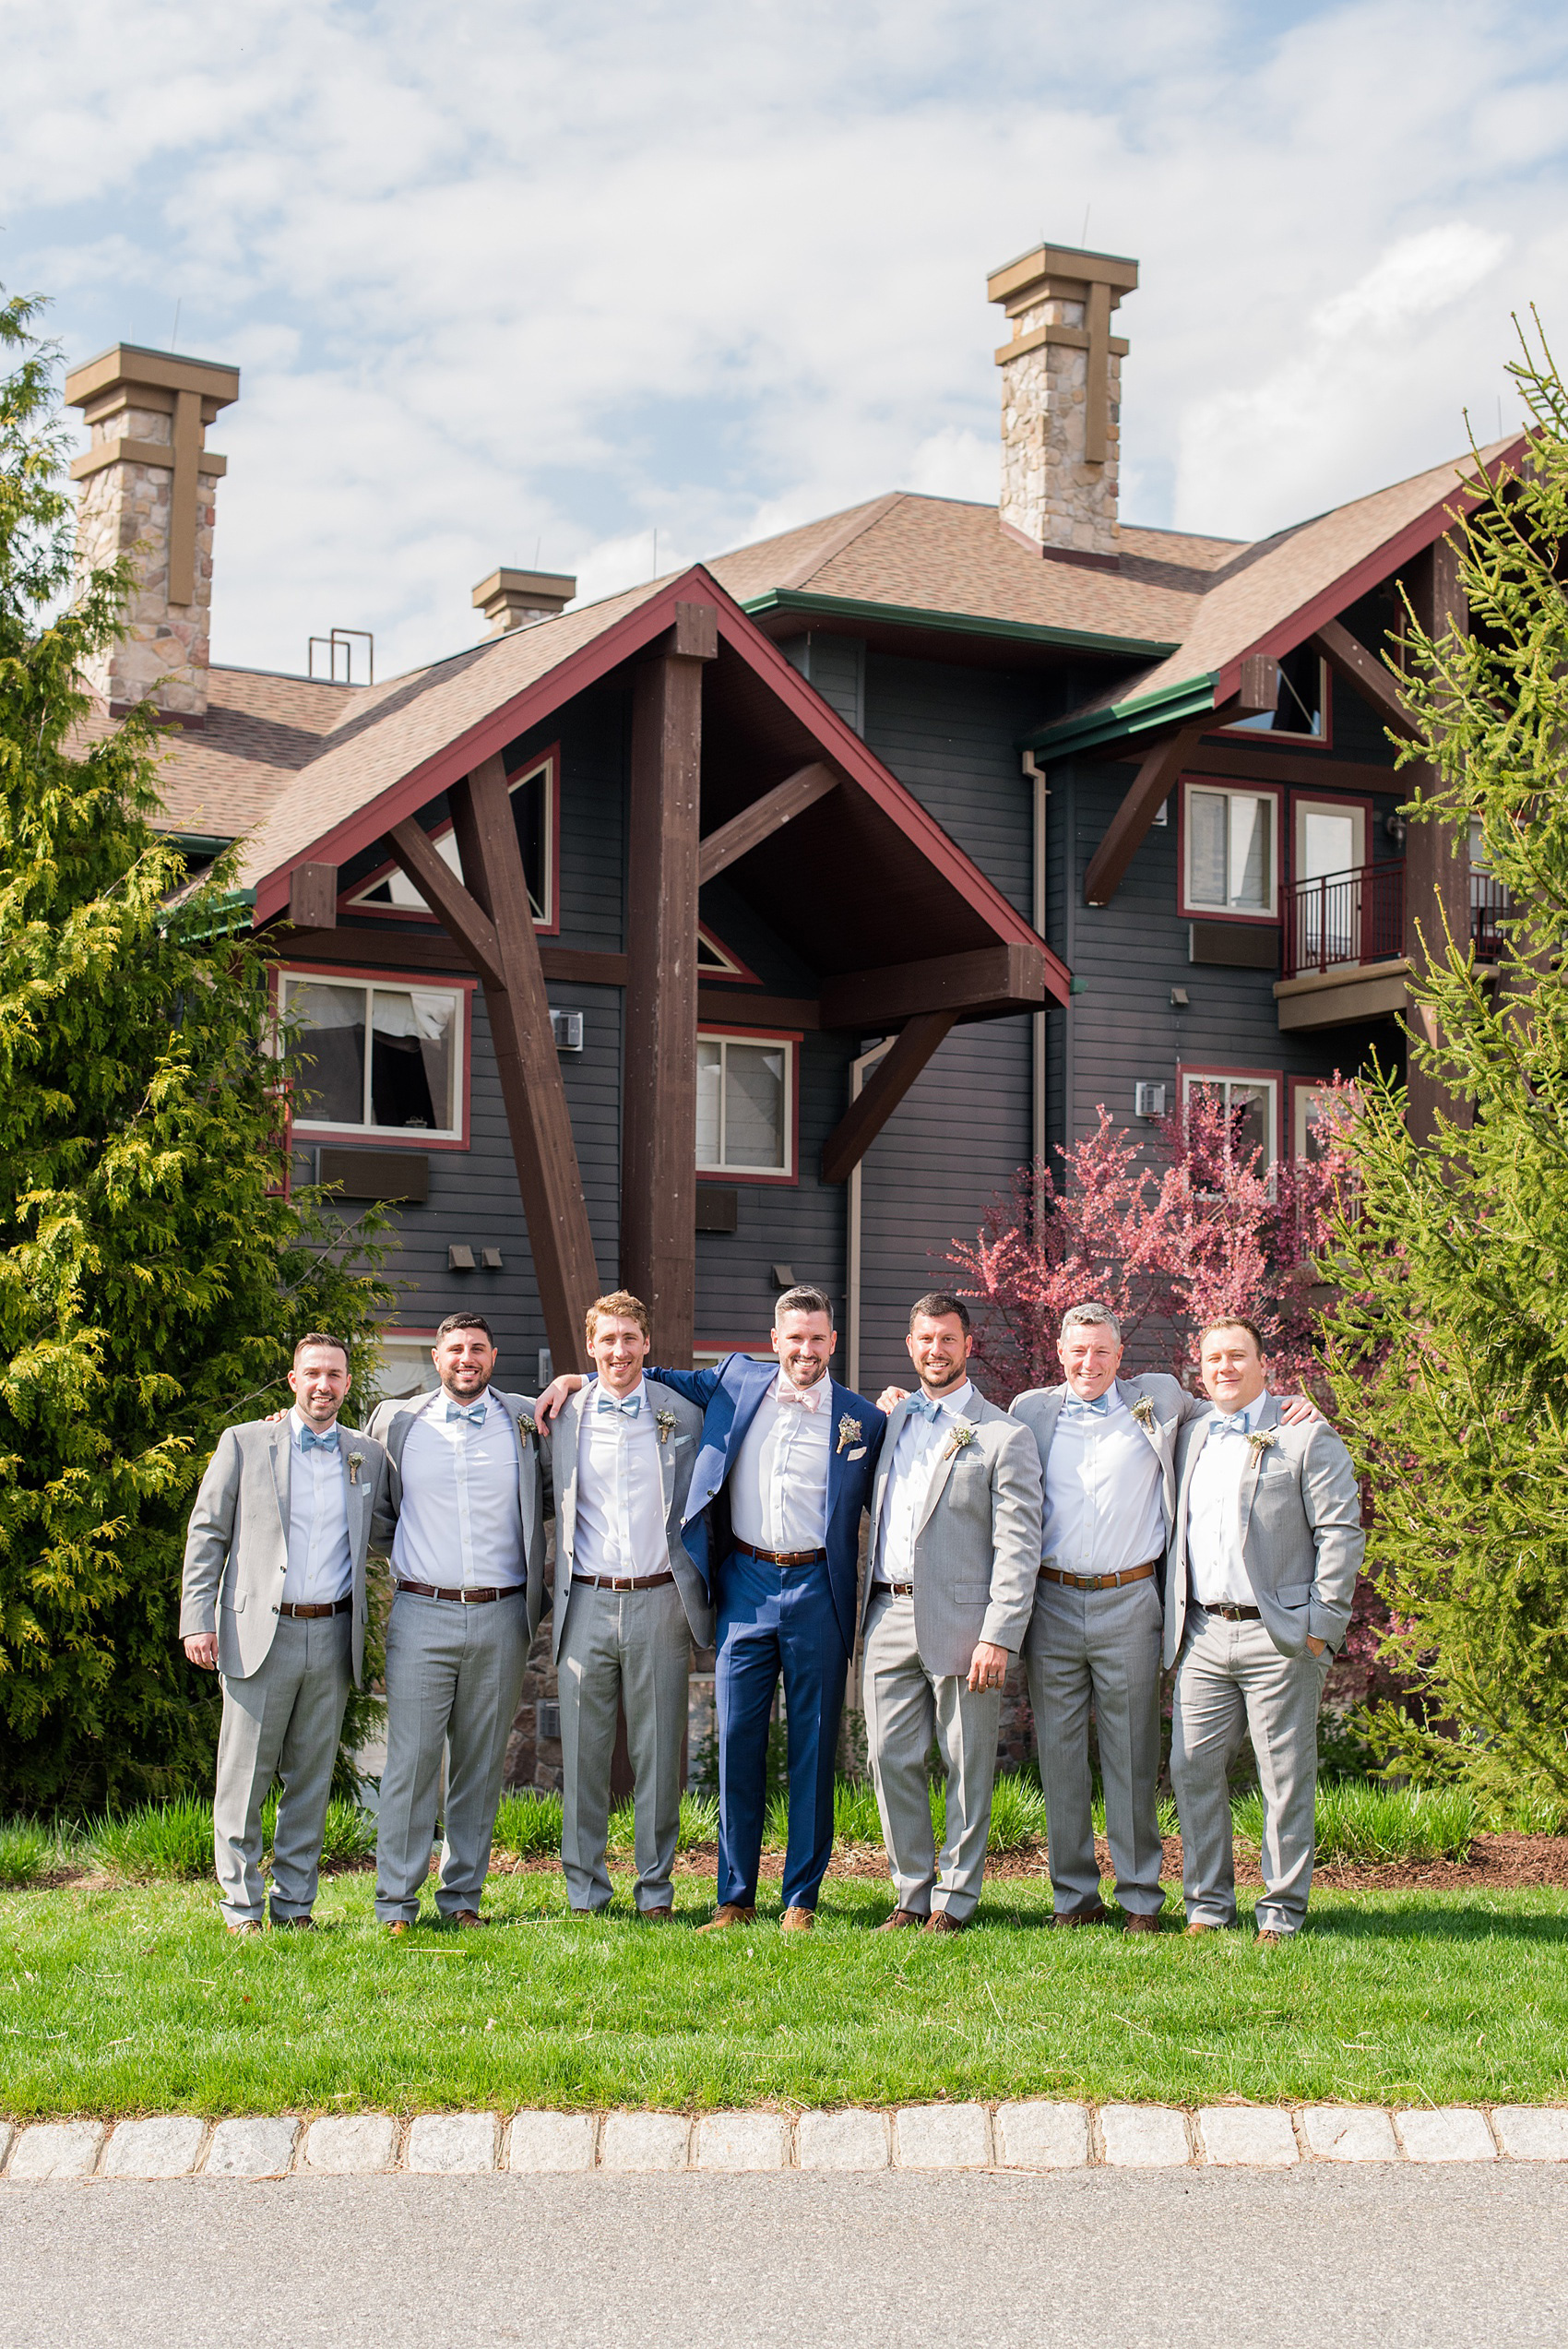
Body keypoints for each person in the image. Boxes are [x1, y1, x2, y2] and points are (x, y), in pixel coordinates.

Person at [539, 1284, 885, 1933]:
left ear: (833, 1343)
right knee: (736, 1746)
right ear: (773, 1341)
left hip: (819, 1590)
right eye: (794, 1337)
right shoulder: (735, 1381)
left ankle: (801, 1900)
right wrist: (574, 1377)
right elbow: (643, 1373)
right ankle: (734, 1898)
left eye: (817, 1338)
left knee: (812, 1748)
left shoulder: (862, 1420)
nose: (805, 1349)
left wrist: (901, 1402)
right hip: (745, 1586)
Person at [1007, 1303, 1323, 1932]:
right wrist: (901, 1402)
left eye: (1101, 1351)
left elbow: (1236, 1406)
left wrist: (1295, 1405)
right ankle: (1073, 1898)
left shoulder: (1161, 1403)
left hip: (1131, 1600)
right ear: (1059, 1352)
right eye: (1077, 1351)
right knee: (1061, 1760)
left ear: (1120, 1356)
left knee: (1131, 1758)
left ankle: (1141, 1900)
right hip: (1053, 1601)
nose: (1088, 1363)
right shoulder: (1029, 1412)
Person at [181, 1333, 397, 1935]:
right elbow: (208, 1535)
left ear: (348, 1385)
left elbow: (385, 1530)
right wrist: (197, 1618)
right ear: (292, 1380)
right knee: (243, 1777)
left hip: (331, 1635)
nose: (323, 1384)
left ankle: (295, 1905)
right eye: (312, 1373)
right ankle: (241, 1907)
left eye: (334, 1374)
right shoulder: (245, 1443)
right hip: (257, 1633)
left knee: (310, 1777)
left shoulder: (366, 1456)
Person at [1165, 1317, 1362, 1944]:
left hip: (1280, 1635)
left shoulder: (1305, 1436)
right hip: (1201, 1632)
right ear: (1200, 1369)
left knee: (1283, 1777)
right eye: (1213, 1358)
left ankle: (1280, 1912)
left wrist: (1321, 1628)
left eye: (1237, 1357)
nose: (1225, 1368)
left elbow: (1340, 1533)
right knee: (1192, 1766)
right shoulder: (1191, 1432)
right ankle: (1207, 1905)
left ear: (1263, 1363)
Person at [861, 1293, 1041, 1932]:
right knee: (889, 1757)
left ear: (968, 1346)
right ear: (909, 1346)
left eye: (947, 1339)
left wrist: (1000, 1634)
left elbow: (1018, 1546)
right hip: (886, 1612)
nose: (934, 1351)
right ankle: (911, 1893)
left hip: (967, 1624)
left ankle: (956, 1899)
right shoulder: (891, 1423)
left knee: (966, 1763)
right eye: (924, 1340)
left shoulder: (1003, 1436)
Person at [367, 1312, 549, 1935]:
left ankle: (463, 1897)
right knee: (412, 1763)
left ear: (493, 1357)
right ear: (435, 1358)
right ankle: (396, 1903)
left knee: (478, 1764)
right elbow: (376, 1507)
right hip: (421, 1611)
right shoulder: (398, 1421)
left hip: (502, 1614)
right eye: (453, 1350)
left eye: (476, 1349)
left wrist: (575, 1383)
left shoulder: (526, 1419)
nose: (465, 1359)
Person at [547, 1291, 709, 1919]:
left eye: (630, 1339)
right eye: (607, 1340)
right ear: (591, 1347)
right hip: (586, 1600)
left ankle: (655, 1891)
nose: (619, 1350)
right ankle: (586, 1893)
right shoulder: (562, 1414)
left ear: (647, 1344)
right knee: (584, 1756)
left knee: (659, 1754)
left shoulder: (682, 1414)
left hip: (660, 1600)